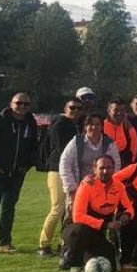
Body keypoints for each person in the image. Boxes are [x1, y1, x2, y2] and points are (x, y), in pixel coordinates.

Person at [0, 92, 39, 255]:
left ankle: (5, 242)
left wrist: (27, 165)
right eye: (19, 103)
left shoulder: (30, 123)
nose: (22, 107)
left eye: (26, 104)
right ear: (11, 103)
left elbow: (34, 148)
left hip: (17, 173)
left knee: (9, 208)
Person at [59, 155, 134, 272]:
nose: (105, 171)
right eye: (102, 168)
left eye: (109, 168)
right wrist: (105, 224)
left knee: (110, 263)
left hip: (97, 233)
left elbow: (129, 207)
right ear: (94, 169)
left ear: (114, 169)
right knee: (79, 231)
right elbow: (78, 216)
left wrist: (126, 215)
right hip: (76, 229)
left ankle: (87, 257)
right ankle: (72, 261)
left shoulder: (119, 186)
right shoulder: (86, 186)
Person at [37, 97, 82, 256]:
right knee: (57, 208)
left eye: (78, 108)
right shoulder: (59, 125)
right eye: (72, 108)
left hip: (73, 171)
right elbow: (62, 149)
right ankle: (44, 244)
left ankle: (64, 242)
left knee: (70, 211)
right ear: (65, 108)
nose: (75, 111)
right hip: (57, 169)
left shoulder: (77, 125)